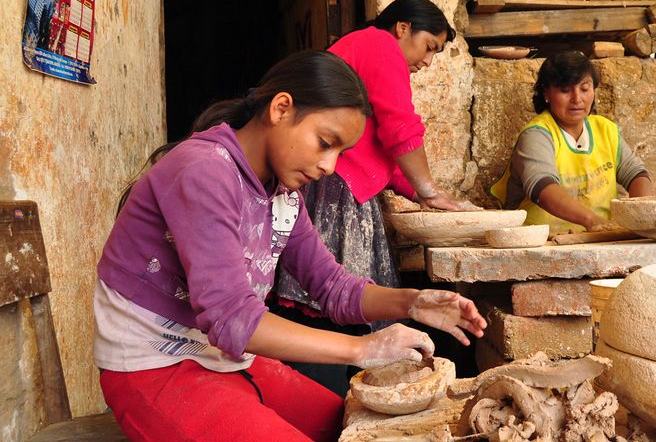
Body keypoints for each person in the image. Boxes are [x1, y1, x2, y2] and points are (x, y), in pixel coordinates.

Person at [94, 50, 487, 442]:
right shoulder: (204, 170)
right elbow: (231, 318)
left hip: (223, 359)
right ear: (281, 108)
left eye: (339, 153)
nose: (329, 166)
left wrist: (412, 302)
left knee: (360, 426)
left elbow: (332, 286)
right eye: (324, 142)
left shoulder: (283, 194)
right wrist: (363, 347)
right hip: (153, 368)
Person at [270, 0, 479, 395]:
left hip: (345, 187)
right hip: (335, 189)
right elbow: (400, 128)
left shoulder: (367, 46)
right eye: (429, 47)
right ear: (402, 28)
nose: (427, 61)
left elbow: (382, 153)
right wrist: (428, 189)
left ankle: (347, 390)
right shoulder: (379, 44)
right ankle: (329, 394)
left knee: (343, 297)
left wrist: (422, 195)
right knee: (329, 299)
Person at [490, 51, 653, 233]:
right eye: (565, 90)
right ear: (546, 94)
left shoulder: (606, 130)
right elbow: (542, 188)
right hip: (542, 242)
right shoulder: (537, 135)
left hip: (600, 238)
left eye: (584, 89)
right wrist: (591, 220)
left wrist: (641, 216)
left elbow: (636, 174)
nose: (577, 99)